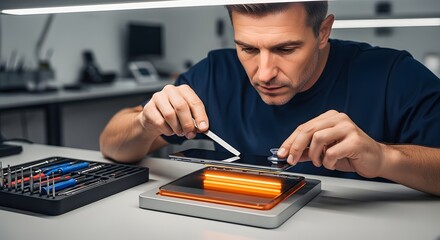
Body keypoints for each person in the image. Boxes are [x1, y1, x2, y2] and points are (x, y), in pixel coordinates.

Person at [100, 1, 440, 196]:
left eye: (285, 49)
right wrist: (145, 122)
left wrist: (384, 158)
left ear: (323, 32)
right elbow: (112, 145)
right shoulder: (217, 72)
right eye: (247, 48)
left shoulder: (394, 75)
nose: (263, 73)